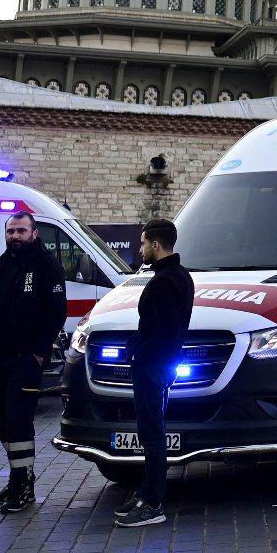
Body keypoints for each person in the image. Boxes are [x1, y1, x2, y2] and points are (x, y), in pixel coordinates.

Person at [0, 210, 67, 514]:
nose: (15, 236)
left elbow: (57, 312)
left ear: (34, 233)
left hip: (26, 358)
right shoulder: (6, 261)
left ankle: (24, 488)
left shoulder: (46, 265)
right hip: (0, 356)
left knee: (18, 420)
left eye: (20, 231)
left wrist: (38, 352)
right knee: (3, 420)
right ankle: (16, 478)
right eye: (10, 231)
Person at [114, 218, 192, 529]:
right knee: (151, 433)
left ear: (156, 245)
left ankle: (152, 502)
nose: (140, 248)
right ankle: (147, 492)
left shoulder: (166, 280)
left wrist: (135, 348)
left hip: (153, 367)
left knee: (152, 434)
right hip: (158, 365)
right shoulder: (178, 276)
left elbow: (164, 331)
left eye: (144, 243)